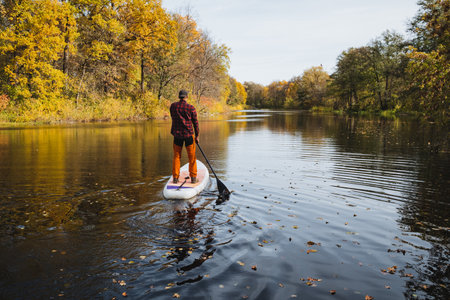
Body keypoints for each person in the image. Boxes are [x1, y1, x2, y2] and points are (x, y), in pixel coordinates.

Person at [170, 90, 199, 184]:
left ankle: (175, 178)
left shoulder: (173, 106)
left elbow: (173, 117)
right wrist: (197, 135)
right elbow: (195, 123)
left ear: (179, 97)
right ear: (186, 97)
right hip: (189, 135)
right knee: (192, 157)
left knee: (177, 156)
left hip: (177, 135)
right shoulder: (191, 108)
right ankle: (193, 178)